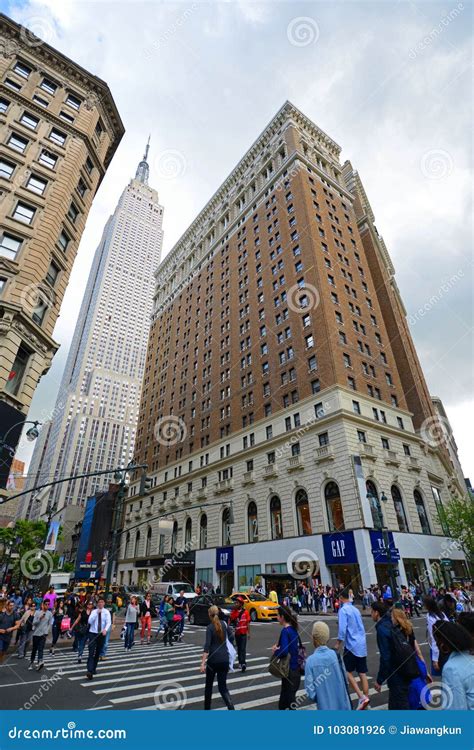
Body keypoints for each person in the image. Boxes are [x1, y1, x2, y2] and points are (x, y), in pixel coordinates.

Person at [371, 601, 412, 710]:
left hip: (396, 673)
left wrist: (379, 680)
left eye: (372, 611)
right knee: (397, 704)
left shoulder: (381, 629)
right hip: (404, 669)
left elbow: (385, 657)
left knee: (401, 706)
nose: (371, 614)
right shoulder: (391, 622)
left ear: (376, 613)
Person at [335, 586, 369, 709]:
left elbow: (342, 629)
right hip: (361, 643)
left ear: (340, 598)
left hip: (351, 645)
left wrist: (338, 643)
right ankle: (366, 697)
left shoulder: (343, 610)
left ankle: (361, 697)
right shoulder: (355, 609)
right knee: (362, 672)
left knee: (346, 670)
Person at [305, 621, 351, 709]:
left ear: (313, 638)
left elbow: (311, 693)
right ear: (328, 638)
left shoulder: (310, 661)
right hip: (343, 706)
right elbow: (345, 680)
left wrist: (322, 698)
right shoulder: (336, 656)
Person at [391, 605, 431, 709]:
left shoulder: (394, 631)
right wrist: (425, 669)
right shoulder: (409, 628)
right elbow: (417, 650)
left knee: (409, 690)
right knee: (419, 686)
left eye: (392, 617)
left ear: (396, 618)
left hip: (405, 664)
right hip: (415, 661)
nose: (391, 619)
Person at [433, 620, 474, 710]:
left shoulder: (451, 669)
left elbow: (456, 710)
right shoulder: (470, 658)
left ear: (443, 644)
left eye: (436, 640)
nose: (435, 644)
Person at [200, 605, 234, 710]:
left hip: (213, 660)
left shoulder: (210, 627)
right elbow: (232, 637)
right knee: (223, 687)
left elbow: (207, 646)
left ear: (209, 615)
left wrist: (202, 663)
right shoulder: (224, 624)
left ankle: (207, 709)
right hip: (224, 659)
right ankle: (231, 706)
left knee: (209, 687)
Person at [272, 606, 301, 710]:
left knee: (288, 702)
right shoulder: (293, 629)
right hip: (296, 669)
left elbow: (284, 651)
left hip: (289, 671)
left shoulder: (285, 631)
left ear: (282, 617)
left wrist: (276, 650)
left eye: (277, 615)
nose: (276, 617)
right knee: (286, 702)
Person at [86, 597, 111, 680]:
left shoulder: (106, 612)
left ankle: (93, 669)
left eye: (102, 602)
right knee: (91, 652)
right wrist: (97, 613)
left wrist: (105, 630)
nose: (100, 603)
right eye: (99, 602)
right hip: (93, 633)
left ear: (104, 603)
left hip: (101, 634)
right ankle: (89, 671)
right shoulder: (93, 612)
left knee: (97, 653)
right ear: (97, 603)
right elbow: (90, 621)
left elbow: (108, 622)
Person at [424, 595, 448, 676]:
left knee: (444, 675)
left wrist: (435, 659)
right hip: (448, 645)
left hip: (439, 647)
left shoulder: (430, 617)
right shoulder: (442, 614)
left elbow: (434, 638)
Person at [29, 600, 53, 671]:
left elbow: (49, 623)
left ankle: (40, 662)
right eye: (46, 604)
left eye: (48, 604)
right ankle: (31, 662)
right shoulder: (37, 612)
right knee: (34, 649)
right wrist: (39, 618)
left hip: (43, 634)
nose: (47, 606)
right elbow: (34, 623)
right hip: (36, 634)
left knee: (41, 648)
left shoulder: (49, 613)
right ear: (43, 604)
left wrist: (47, 631)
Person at [229, 596, 251, 671]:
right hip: (237, 633)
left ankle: (243, 663)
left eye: (237, 603)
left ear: (241, 604)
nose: (236, 604)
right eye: (235, 602)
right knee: (239, 648)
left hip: (244, 633)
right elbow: (230, 622)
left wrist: (248, 633)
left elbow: (248, 623)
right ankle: (240, 662)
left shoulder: (246, 612)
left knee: (243, 649)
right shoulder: (233, 612)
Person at [0, 599, 20, 664]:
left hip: (8, 637)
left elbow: (18, 625)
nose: (12, 607)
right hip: (0, 636)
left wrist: (11, 628)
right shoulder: (2, 614)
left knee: (3, 652)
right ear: (7, 606)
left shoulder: (15, 615)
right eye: (10, 606)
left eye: (13, 606)